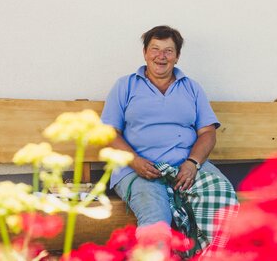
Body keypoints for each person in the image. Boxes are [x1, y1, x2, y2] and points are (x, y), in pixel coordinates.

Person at [101, 25, 237, 255]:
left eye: (168, 51)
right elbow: (109, 133)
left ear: (177, 56)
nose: (161, 56)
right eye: (155, 49)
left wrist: (193, 163)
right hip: (138, 169)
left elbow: (207, 132)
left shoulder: (191, 88)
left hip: (187, 166)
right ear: (145, 53)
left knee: (222, 198)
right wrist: (134, 161)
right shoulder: (125, 85)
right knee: (154, 216)